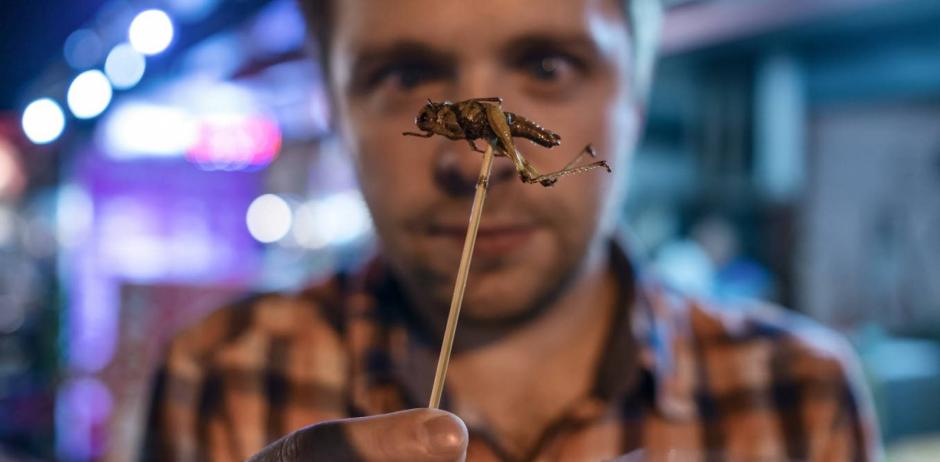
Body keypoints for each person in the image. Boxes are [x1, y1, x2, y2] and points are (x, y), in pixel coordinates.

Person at [143, 0, 881, 460]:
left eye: (549, 65)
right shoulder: (219, 379)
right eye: (403, 76)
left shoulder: (801, 400)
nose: (477, 165)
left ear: (637, 92)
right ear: (333, 109)